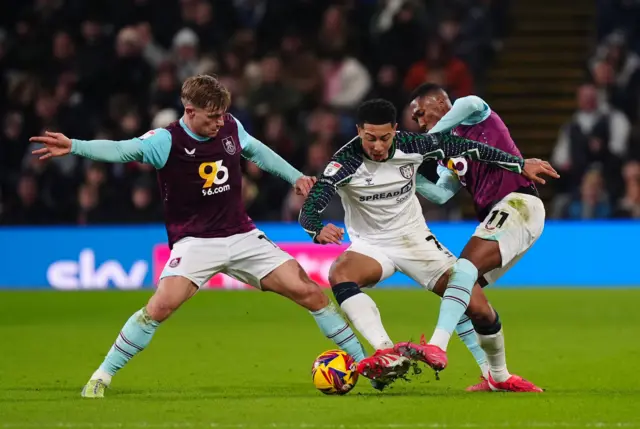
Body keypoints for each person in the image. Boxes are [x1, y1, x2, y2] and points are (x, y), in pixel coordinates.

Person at [30, 75, 393, 398]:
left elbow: (257, 151)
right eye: (212, 117)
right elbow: (122, 149)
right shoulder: (164, 140)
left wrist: (295, 176)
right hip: (195, 242)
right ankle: (102, 376)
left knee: (311, 292)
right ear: (189, 111)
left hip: (242, 234)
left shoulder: (230, 126)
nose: (220, 122)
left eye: (222, 115)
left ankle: (366, 366)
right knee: (160, 307)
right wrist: (75, 145)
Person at [298, 98, 558, 388]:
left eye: (385, 138)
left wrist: (519, 164)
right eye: (370, 138)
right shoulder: (344, 162)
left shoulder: (413, 144)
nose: (378, 146)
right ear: (359, 132)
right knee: (340, 274)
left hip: (415, 241)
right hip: (371, 245)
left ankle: (497, 375)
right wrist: (317, 230)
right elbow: (311, 206)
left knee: (478, 307)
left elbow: (469, 148)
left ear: (395, 130)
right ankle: (385, 351)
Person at [395, 83, 560, 392]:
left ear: (439, 102)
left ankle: (437, 345)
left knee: (462, 269)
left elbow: (463, 109)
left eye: (420, 112)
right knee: (466, 297)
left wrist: (423, 143)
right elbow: (442, 194)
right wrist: (408, 176)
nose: (417, 120)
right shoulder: (449, 152)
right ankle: (499, 377)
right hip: (503, 216)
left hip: (518, 203)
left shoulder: (473, 109)